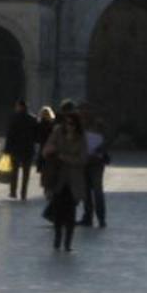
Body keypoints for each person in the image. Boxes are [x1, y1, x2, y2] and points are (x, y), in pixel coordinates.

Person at [40, 104, 88, 252]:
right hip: (58, 179)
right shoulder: (57, 132)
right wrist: (51, 150)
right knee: (59, 212)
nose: (69, 127)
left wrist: (65, 157)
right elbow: (46, 149)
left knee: (70, 214)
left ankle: (68, 243)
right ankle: (57, 240)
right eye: (67, 123)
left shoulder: (82, 137)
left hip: (74, 180)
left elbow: (83, 159)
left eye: (72, 124)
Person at [1, 99, 41, 200]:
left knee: (14, 171)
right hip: (28, 149)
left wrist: (6, 149)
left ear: (19, 106)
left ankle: (13, 191)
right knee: (26, 173)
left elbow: (10, 134)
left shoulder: (14, 118)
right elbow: (37, 136)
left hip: (15, 149)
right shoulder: (33, 119)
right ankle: (24, 193)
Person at [79, 104, 110, 229]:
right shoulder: (78, 125)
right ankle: (88, 217)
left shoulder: (98, 125)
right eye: (81, 111)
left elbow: (106, 140)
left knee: (97, 190)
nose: (83, 113)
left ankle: (101, 218)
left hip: (96, 162)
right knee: (86, 190)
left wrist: (98, 150)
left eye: (85, 110)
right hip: (83, 161)